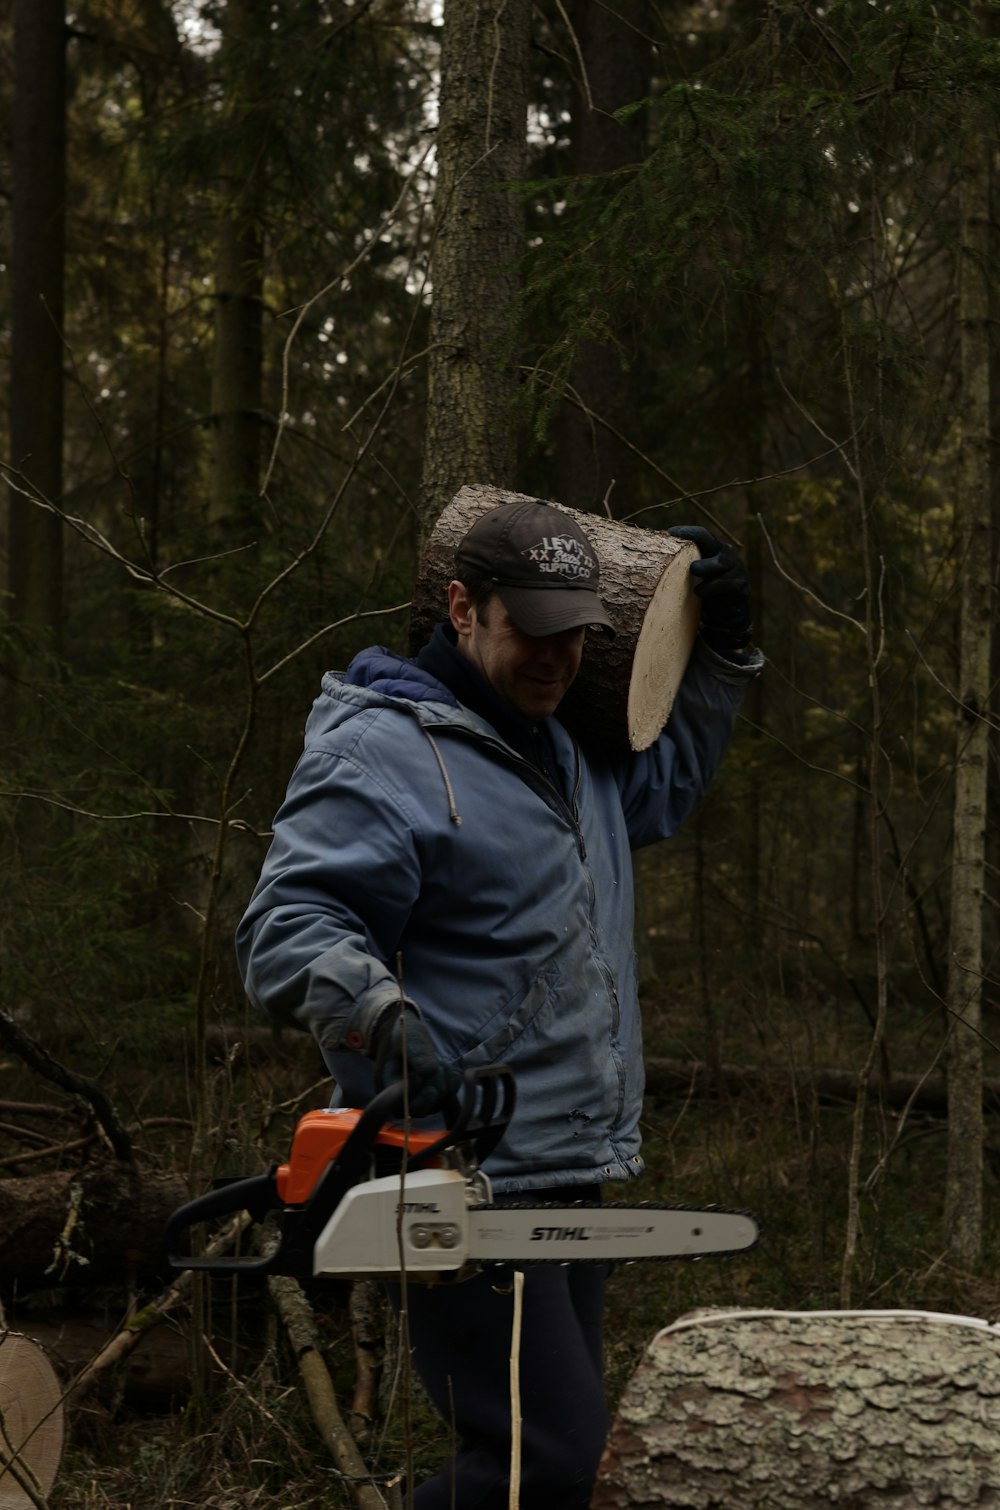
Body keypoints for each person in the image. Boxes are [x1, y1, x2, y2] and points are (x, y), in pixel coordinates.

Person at [236, 500, 762, 1508]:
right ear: (462, 607)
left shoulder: (569, 746)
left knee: (560, 1471)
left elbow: (666, 788)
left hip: (570, 1160)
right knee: (546, 1463)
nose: (558, 656)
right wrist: (383, 1023)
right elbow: (288, 924)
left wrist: (722, 657)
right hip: (463, 1178)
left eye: (575, 634)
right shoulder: (385, 751)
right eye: (533, 630)